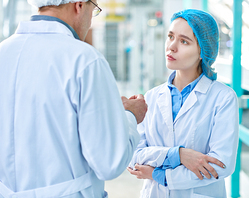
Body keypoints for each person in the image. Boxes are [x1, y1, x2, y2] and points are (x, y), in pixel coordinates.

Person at [0, 0, 147, 197]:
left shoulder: (3, 53)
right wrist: (129, 115)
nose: (90, 22)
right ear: (79, 5)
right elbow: (109, 163)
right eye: (93, 11)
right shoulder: (84, 59)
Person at [127, 9, 239, 198]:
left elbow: (220, 166)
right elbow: (134, 156)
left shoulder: (223, 98)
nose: (171, 46)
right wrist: (179, 155)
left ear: (203, 51)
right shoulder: (153, 97)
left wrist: (157, 173)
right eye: (170, 36)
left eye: (184, 41)